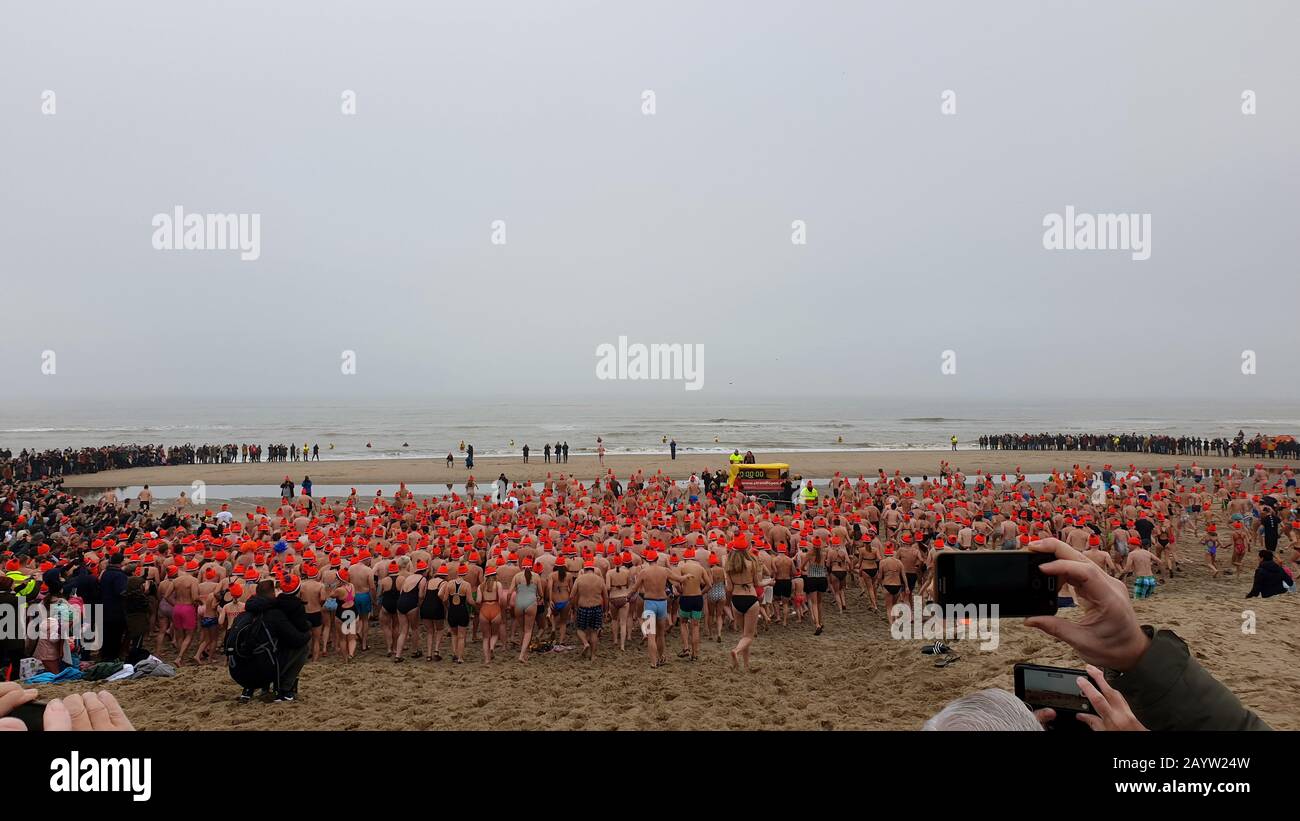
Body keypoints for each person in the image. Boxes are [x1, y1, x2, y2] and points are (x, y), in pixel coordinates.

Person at [1026, 538, 1269, 730]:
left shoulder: (1126, 553)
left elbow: (1124, 569)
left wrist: (1121, 577)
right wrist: (1135, 651)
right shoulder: (1128, 552)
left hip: (1118, 587)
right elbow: (1154, 560)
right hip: (1150, 579)